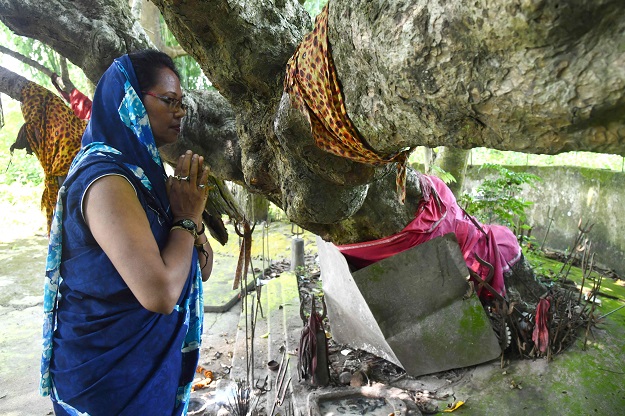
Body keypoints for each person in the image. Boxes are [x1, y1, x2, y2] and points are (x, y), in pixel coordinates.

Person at [40, 49, 213, 415]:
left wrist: (191, 219)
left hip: (146, 369)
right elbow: (161, 293)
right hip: (107, 380)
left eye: (182, 103)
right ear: (130, 100)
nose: (180, 112)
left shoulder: (146, 179)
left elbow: (197, 268)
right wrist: (186, 216)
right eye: (169, 101)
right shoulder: (105, 181)